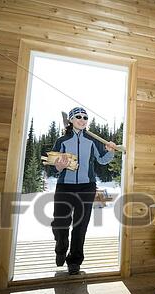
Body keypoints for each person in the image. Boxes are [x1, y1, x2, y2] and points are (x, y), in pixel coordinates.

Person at [50, 106, 117, 275]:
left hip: (87, 187)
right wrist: (58, 166)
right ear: (71, 120)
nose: (82, 120)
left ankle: (74, 261)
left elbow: (102, 160)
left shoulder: (92, 140)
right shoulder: (62, 140)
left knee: (80, 225)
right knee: (60, 222)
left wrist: (110, 151)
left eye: (85, 117)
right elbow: (53, 167)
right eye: (78, 116)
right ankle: (61, 247)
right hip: (64, 186)